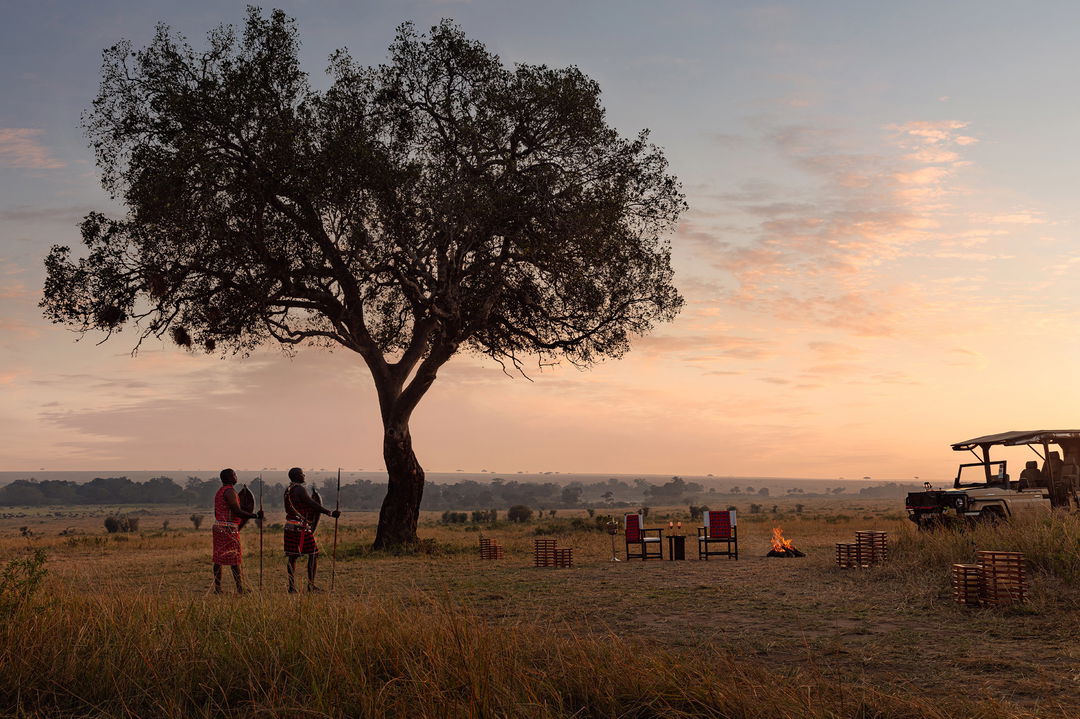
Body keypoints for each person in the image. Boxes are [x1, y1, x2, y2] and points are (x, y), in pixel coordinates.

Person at [283, 467, 340, 593]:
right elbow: (311, 503)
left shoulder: (288, 490)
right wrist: (329, 513)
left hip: (290, 526)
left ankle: (292, 588)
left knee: (292, 557)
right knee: (314, 553)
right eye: (302, 474)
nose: (304, 476)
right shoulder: (299, 489)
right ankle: (311, 585)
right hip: (300, 527)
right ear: (297, 476)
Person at [212, 468, 263, 594]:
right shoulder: (230, 492)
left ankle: (218, 589)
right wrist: (255, 516)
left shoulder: (220, 491)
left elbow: (217, 511)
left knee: (218, 558)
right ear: (229, 477)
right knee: (234, 558)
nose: (236, 476)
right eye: (234, 474)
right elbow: (237, 511)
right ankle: (240, 588)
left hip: (219, 526)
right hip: (229, 528)